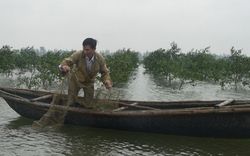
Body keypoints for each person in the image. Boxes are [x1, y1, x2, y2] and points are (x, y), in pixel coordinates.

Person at [58, 38, 112, 106]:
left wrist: (107, 82)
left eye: (87, 50)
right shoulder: (78, 54)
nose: (85, 52)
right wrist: (63, 66)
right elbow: (68, 61)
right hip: (76, 81)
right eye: (84, 49)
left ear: (94, 49)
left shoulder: (100, 59)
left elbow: (104, 72)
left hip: (89, 82)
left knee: (89, 103)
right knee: (71, 101)